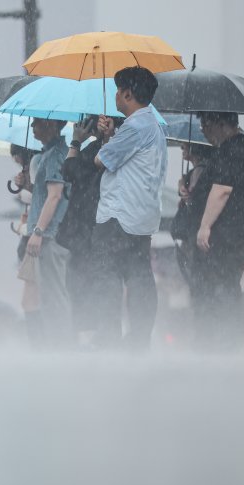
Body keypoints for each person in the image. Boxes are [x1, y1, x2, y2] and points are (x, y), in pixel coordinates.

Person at [89, 66, 168, 350]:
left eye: (118, 91)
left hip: (118, 216)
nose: (115, 96)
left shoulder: (134, 127)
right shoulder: (155, 127)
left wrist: (105, 139)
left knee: (108, 275)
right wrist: (113, 136)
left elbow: (101, 161)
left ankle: (109, 335)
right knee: (139, 275)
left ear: (128, 93)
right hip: (142, 217)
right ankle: (139, 338)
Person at [188, 111, 244, 351]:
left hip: (227, 236)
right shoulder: (229, 149)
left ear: (221, 123)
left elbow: (222, 190)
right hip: (227, 235)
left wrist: (205, 226)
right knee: (217, 290)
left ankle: (223, 347)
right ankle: (216, 344)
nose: (203, 130)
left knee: (223, 291)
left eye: (205, 124)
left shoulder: (234, 148)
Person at [56, 116, 120, 345]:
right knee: (78, 282)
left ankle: (95, 335)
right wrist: (78, 142)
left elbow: (74, 171)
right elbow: (69, 171)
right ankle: (87, 334)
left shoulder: (112, 149)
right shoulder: (96, 148)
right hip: (83, 227)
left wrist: (78, 143)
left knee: (90, 282)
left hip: (92, 226)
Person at [22, 118, 71, 349]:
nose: (32, 127)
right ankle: (53, 346)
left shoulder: (56, 155)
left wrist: (39, 232)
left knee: (53, 294)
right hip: (44, 234)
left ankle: (60, 348)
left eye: (37, 123)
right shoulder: (49, 154)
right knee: (46, 294)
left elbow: (55, 195)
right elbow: (45, 194)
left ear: (51, 125)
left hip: (49, 236)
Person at [171, 143, 214, 287]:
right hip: (192, 235)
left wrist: (186, 195)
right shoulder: (196, 171)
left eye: (184, 147)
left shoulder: (201, 171)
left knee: (197, 278)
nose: (182, 149)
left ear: (195, 148)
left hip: (194, 235)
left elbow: (194, 204)